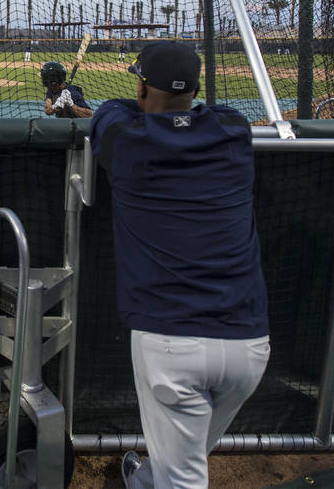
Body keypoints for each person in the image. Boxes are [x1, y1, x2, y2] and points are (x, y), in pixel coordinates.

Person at [90, 41, 269, 489]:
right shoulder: (234, 130)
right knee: (185, 453)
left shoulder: (124, 139)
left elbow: (111, 109)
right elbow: (210, 112)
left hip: (170, 344)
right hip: (249, 345)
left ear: (142, 86)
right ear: (195, 88)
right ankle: (146, 477)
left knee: (183, 477)